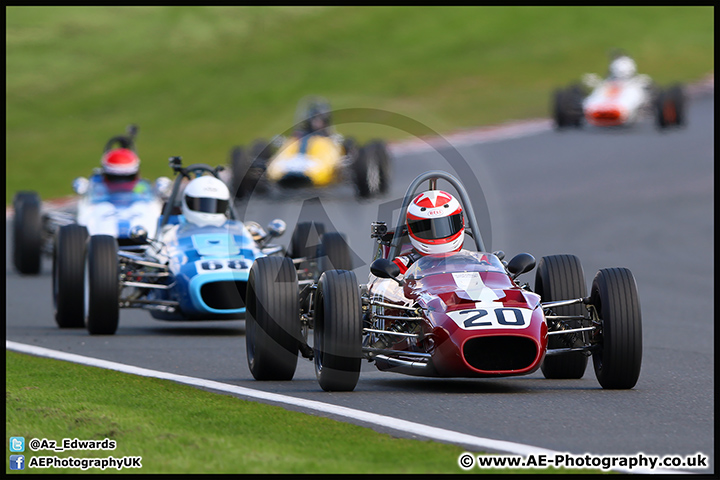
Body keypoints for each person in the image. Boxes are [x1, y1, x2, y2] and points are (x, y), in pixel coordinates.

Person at [392, 190, 465, 274]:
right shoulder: (402, 266)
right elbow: (383, 281)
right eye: (428, 229)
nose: (438, 235)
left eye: (444, 226)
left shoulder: (472, 262)